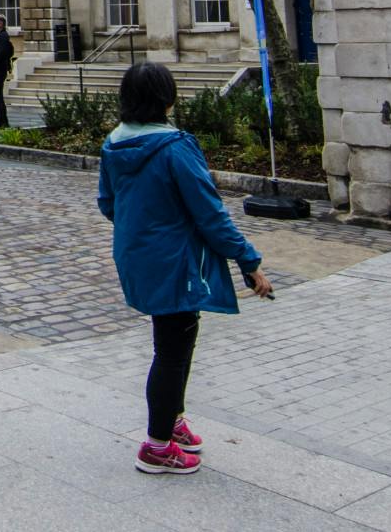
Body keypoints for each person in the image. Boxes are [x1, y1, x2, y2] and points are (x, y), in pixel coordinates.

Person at [98, 62, 272, 477]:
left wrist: (142, 227)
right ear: (167, 99)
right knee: (172, 351)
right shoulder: (176, 147)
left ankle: (172, 417)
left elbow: (108, 203)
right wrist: (248, 260)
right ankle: (157, 446)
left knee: (175, 341)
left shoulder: (113, 143)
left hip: (137, 254)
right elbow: (209, 213)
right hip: (174, 259)